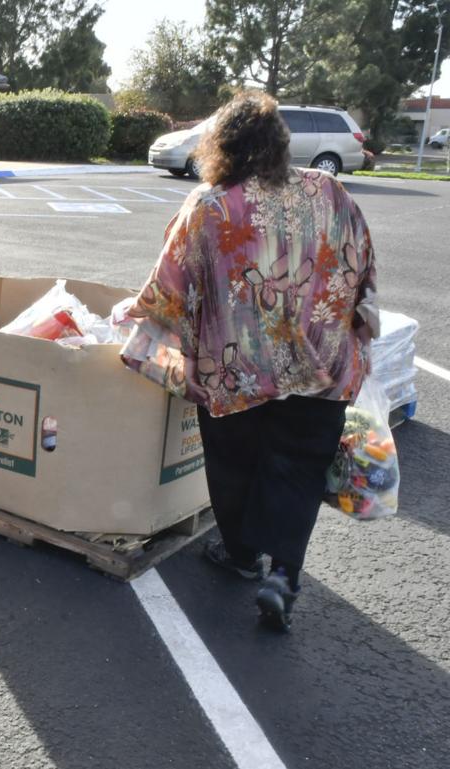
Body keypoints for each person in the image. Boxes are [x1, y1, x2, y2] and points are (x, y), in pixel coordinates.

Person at [120, 92, 378, 631]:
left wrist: (132, 316)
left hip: (236, 371)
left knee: (234, 466)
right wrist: (358, 327)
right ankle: (284, 574)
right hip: (320, 368)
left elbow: (169, 287)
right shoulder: (327, 190)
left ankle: (240, 556)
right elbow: (362, 268)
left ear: (222, 147)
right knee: (298, 470)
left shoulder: (211, 206)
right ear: (279, 145)